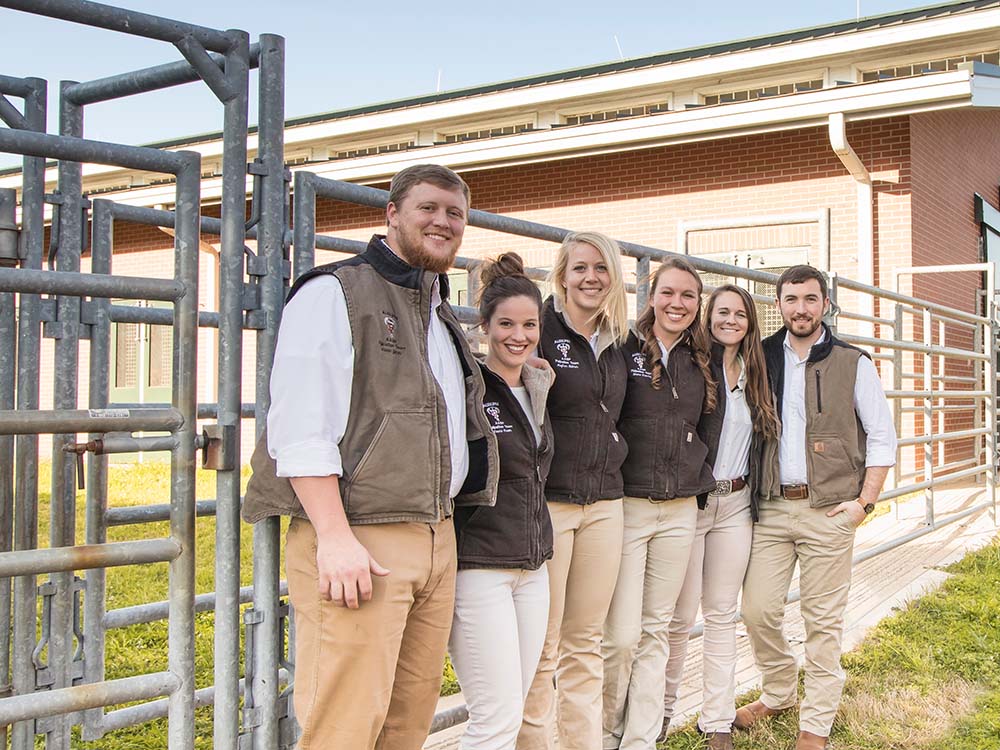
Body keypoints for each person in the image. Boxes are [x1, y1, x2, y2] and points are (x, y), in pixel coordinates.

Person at [240, 164, 500, 750]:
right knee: (345, 723)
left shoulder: (437, 311)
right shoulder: (335, 291)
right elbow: (302, 428)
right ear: (391, 213)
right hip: (362, 538)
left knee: (407, 719)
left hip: (436, 533)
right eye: (429, 208)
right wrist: (334, 538)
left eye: (455, 214)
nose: (443, 222)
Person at [735, 265, 897, 750]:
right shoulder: (760, 357)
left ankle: (816, 726)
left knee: (821, 623)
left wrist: (864, 503)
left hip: (829, 510)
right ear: (778, 304)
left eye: (809, 299)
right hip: (771, 508)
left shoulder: (853, 361)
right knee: (758, 611)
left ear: (824, 303)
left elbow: (883, 437)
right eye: (790, 299)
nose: (800, 309)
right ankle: (780, 690)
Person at [519, 231, 630, 750]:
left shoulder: (618, 340)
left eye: (601, 268)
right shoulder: (538, 329)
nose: (591, 278)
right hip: (551, 502)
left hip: (606, 504)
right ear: (562, 274)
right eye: (581, 268)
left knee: (585, 642)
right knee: (543, 644)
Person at [602, 256, 718, 750]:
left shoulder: (700, 362)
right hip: (628, 506)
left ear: (697, 305)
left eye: (688, 296)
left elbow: (709, 429)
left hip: (678, 511)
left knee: (656, 632)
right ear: (651, 297)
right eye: (668, 293)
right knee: (621, 636)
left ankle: (640, 740)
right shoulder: (621, 349)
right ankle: (605, 731)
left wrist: (699, 481)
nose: (677, 303)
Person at [660, 284, 781, 750]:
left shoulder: (756, 371)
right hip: (694, 502)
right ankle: (662, 713)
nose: (730, 320)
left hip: (736, 504)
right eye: (722, 312)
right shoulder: (693, 366)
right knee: (677, 617)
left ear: (751, 322)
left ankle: (717, 721)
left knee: (721, 614)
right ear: (708, 317)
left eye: (740, 313)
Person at [449, 252, 555, 750]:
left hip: (533, 568)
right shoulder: (467, 387)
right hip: (481, 566)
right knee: (494, 719)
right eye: (507, 324)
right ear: (485, 326)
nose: (519, 335)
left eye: (529, 324)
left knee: (514, 709)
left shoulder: (536, 385)